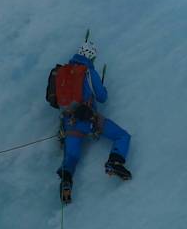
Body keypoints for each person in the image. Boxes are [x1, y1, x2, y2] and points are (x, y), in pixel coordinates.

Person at [54, 40, 131, 204]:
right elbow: (102, 97)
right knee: (122, 136)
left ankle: (66, 180)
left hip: (69, 123)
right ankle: (114, 162)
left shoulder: (62, 72)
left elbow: (55, 100)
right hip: (89, 120)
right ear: (92, 57)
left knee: (72, 156)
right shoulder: (88, 72)